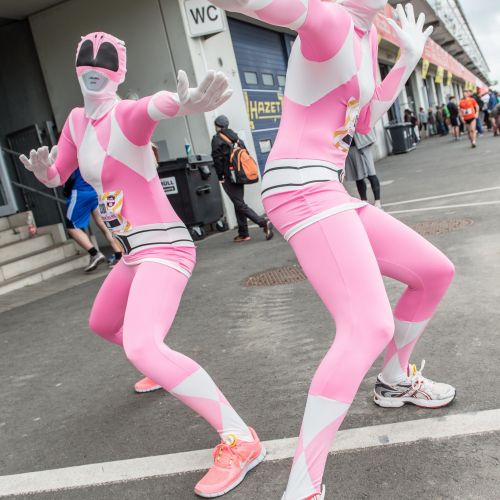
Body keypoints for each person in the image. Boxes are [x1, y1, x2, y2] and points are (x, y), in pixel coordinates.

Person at [211, 2, 455, 499]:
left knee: (434, 271)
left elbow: (362, 120)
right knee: (367, 326)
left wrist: (407, 61)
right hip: (300, 187)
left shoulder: (366, 35)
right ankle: (302, 488)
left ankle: (394, 379)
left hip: (327, 186)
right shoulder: (328, 17)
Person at [20, 32, 265, 498]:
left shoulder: (126, 114)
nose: (94, 66)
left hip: (165, 247)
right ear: (77, 67)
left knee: (141, 345)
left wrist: (186, 103)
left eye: (104, 59)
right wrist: (42, 172)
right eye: (87, 58)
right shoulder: (76, 121)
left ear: (119, 71)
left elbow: (158, 105)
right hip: (132, 252)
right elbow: (58, 173)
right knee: (102, 323)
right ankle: (158, 361)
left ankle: (240, 438)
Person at [211, 115, 273, 242]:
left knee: (239, 203)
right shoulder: (236, 138)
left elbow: (217, 159)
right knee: (238, 202)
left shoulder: (217, 139)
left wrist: (220, 176)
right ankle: (243, 233)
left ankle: (263, 223)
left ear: (217, 126)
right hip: (239, 175)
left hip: (228, 176)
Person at [63, 167, 123, 271]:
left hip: (80, 192)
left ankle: (94, 254)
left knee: (72, 227)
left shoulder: (74, 157)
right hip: (95, 192)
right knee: (103, 224)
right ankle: (119, 255)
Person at [345, 131, 382, 208]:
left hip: (363, 144)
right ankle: (364, 200)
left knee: (371, 174)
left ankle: (377, 201)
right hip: (350, 146)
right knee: (358, 177)